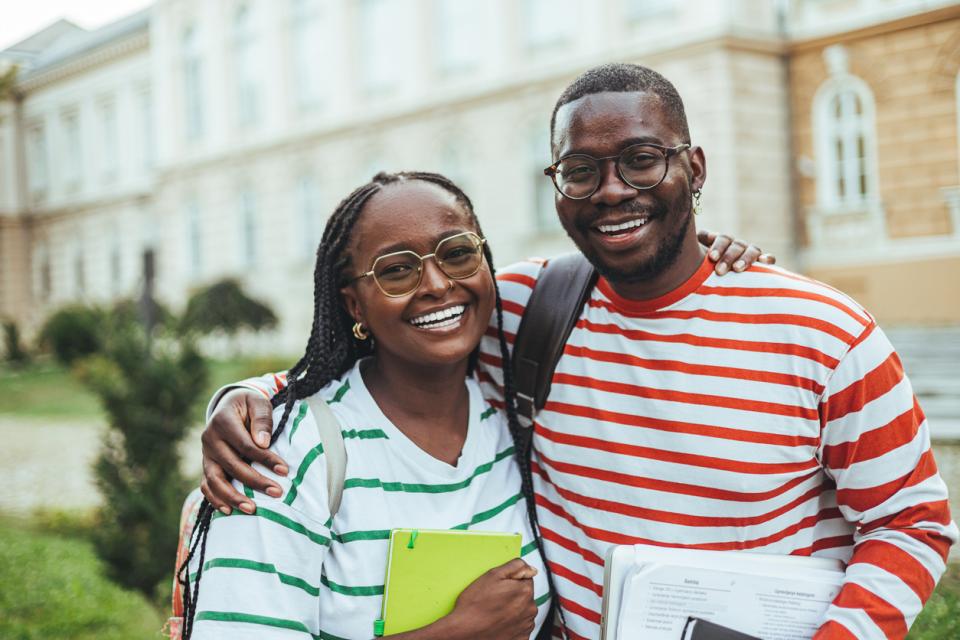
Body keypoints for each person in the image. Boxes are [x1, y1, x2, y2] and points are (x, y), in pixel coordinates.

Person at [201, 63, 958, 640]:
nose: (611, 190)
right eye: (581, 170)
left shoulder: (824, 331)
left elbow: (913, 523)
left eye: (641, 160)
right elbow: (387, 347)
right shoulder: (526, 310)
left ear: (693, 170)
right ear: (556, 186)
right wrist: (250, 401)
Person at [182, 172, 551, 639]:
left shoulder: (509, 417)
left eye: (457, 253)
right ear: (355, 306)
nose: (437, 284)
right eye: (397, 269)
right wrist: (459, 632)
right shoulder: (287, 455)